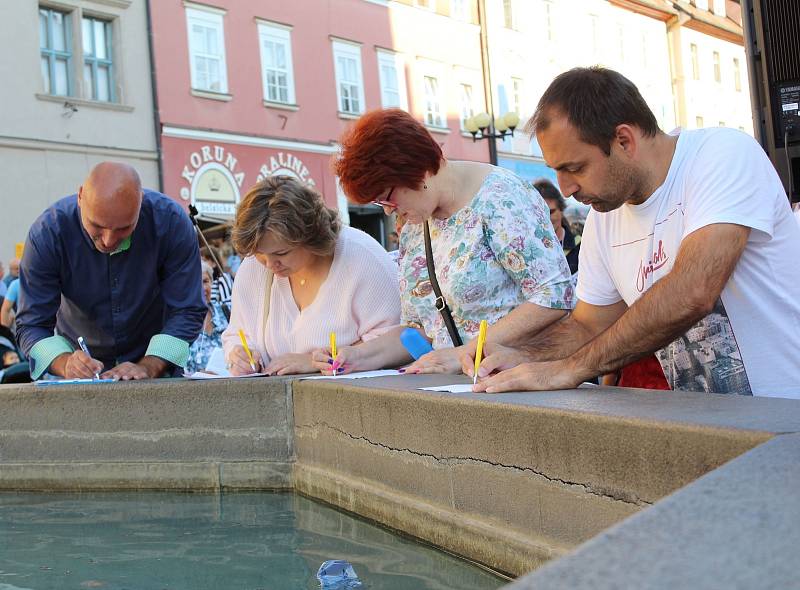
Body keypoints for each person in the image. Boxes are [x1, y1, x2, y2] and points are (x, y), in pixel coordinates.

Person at [473, 66, 800, 399]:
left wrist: (571, 368)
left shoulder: (723, 153)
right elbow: (589, 324)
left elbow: (694, 290)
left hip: (785, 415)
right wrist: (525, 356)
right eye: (557, 171)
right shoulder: (606, 214)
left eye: (575, 168)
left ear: (624, 141)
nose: (566, 188)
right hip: (708, 427)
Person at [313, 108, 574, 376]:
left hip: (520, 381)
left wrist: (465, 352)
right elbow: (423, 330)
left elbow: (554, 294)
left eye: (386, 197)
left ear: (417, 169)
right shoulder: (415, 224)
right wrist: (357, 355)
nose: (388, 211)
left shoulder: (501, 197)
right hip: (459, 389)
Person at [15, 162, 206, 380]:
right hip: (77, 376)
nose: (108, 240)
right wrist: (65, 362)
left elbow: (188, 310)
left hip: (156, 368)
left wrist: (150, 365)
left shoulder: (171, 224)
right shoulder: (47, 235)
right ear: (80, 197)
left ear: (140, 203)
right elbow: (31, 324)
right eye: (97, 226)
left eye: (124, 228)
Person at [222, 175, 400, 376]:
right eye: (259, 253)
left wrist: (316, 362)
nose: (270, 264)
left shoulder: (362, 258)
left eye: (281, 253)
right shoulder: (253, 267)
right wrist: (238, 355)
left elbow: (397, 339)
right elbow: (236, 334)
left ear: (311, 237)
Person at [186, 262, 229, 374]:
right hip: (193, 388)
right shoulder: (180, 321)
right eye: (195, 282)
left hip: (229, 384)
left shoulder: (227, 311)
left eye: (205, 281)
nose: (202, 288)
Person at [532, 178, 579, 275]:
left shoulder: (580, 246)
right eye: (540, 213)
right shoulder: (525, 250)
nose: (546, 219)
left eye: (551, 212)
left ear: (561, 209)